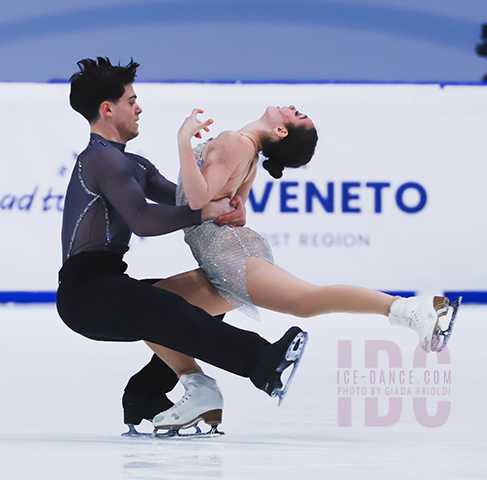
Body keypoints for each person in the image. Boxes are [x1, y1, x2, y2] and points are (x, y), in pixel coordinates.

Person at [149, 107, 461, 428]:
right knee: (150, 310)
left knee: (306, 301)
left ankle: (411, 310)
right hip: (218, 257)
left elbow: (197, 201)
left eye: (297, 115)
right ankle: (200, 390)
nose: (293, 109)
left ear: (281, 132)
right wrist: (235, 208)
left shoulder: (234, 143)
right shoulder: (249, 153)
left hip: (231, 257)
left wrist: (183, 141)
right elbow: (234, 208)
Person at [56, 57, 310, 437]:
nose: (138, 107)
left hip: (108, 282)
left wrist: (224, 199)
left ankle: (144, 394)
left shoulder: (133, 164)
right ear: (107, 109)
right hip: (84, 294)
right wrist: (205, 212)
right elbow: (144, 219)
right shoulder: (101, 160)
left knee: (202, 295)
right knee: (163, 309)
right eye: (131, 100)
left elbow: (185, 200)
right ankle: (261, 361)